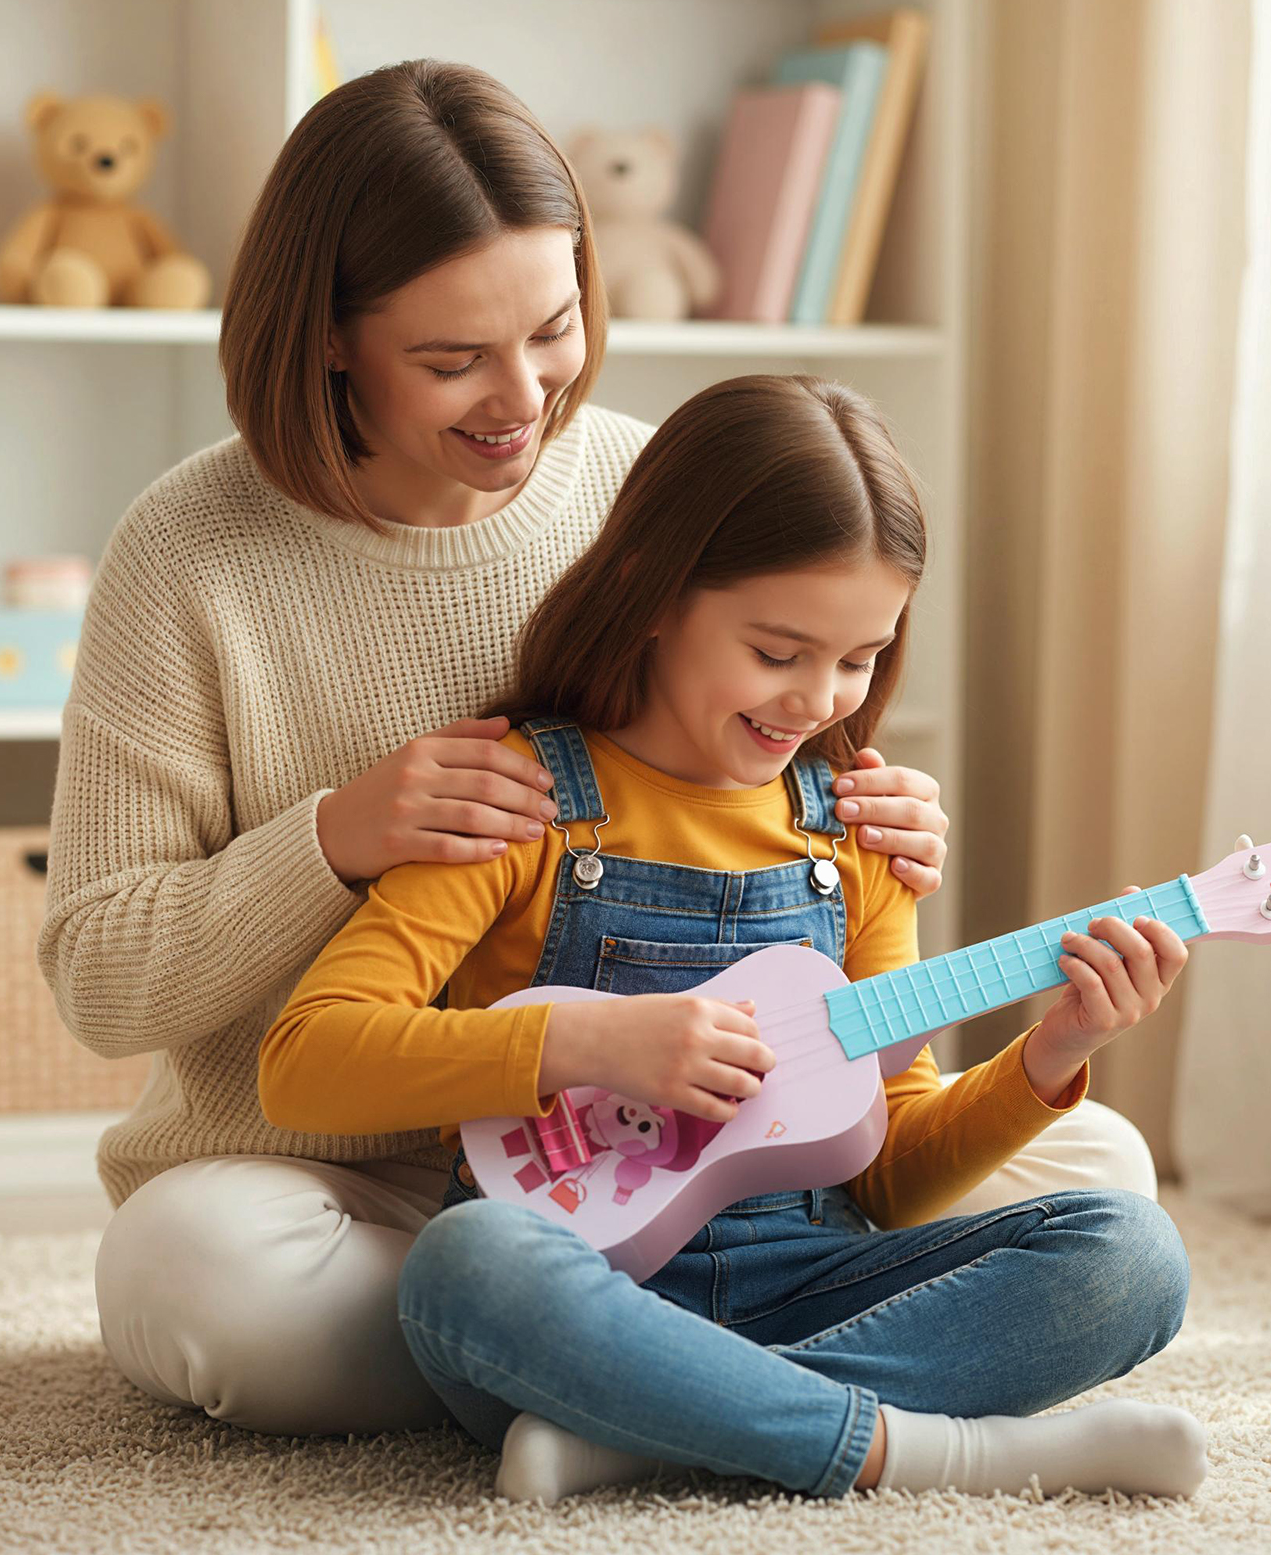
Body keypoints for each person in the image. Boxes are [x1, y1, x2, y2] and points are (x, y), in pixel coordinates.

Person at [38, 59, 1152, 1442]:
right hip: (343, 1187)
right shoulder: (186, 550)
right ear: (328, 338)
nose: (524, 399)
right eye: (453, 360)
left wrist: (875, 809)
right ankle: (710, 1376)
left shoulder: (657, 492)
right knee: (200, 1277)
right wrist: (336, 838)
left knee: (1107, 1174)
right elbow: (97, 981)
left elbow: (794, 783)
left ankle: (628, 1396)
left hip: (725, 1175)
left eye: (555, 330)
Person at [262, 372, 1205, 1504]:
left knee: (1131, 1252)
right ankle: (937, 1453)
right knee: (466, 1268)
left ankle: (664, 1430)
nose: (818, 698)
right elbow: (302, 1060)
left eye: (858, 658)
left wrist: (1050, 1053)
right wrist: (588, 1044)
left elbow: (890, 1176)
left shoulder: (855, 835)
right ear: (651, 590)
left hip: (805, 1274)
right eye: (777, 651)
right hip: (576, 1290)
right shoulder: (521, 799)